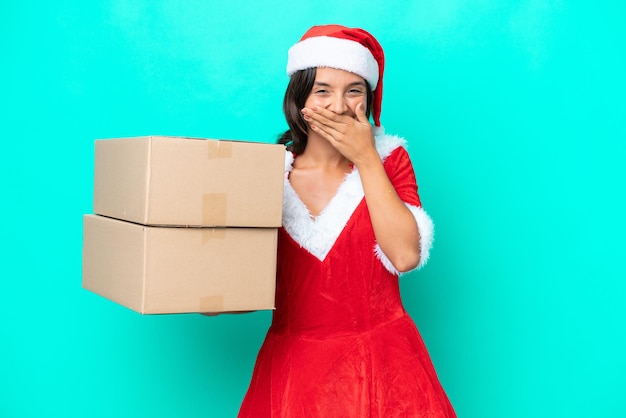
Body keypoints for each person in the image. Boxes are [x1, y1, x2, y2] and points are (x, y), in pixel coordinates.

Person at [238, 24, 456, 417]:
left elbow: (405, 256)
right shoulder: (266, 175)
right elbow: (244, 287)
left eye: (354, 91)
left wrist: (367, 157)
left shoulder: (390, 162)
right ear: (299, 98)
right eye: (322, 90)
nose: (338, 106)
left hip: (385, 368)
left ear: (368, 102)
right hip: (294, 369)